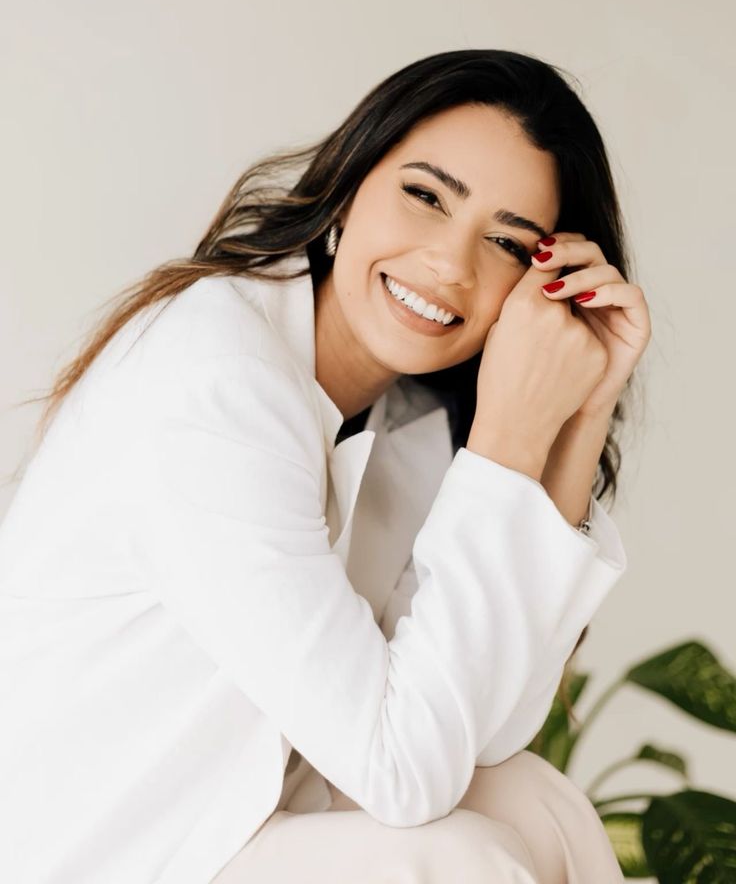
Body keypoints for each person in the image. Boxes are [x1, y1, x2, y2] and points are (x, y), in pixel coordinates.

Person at [0, 49, 651, 883]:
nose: (452, 265)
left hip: (225, 824)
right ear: (348, 187)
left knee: (535, 804)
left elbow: (483, 733)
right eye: (425, 197)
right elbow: (404, 772)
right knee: (462, 858)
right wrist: (507, 443)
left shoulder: (402, 417)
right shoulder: (217, 380)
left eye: (507, 244)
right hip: (102, 857)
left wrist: (577, 416)